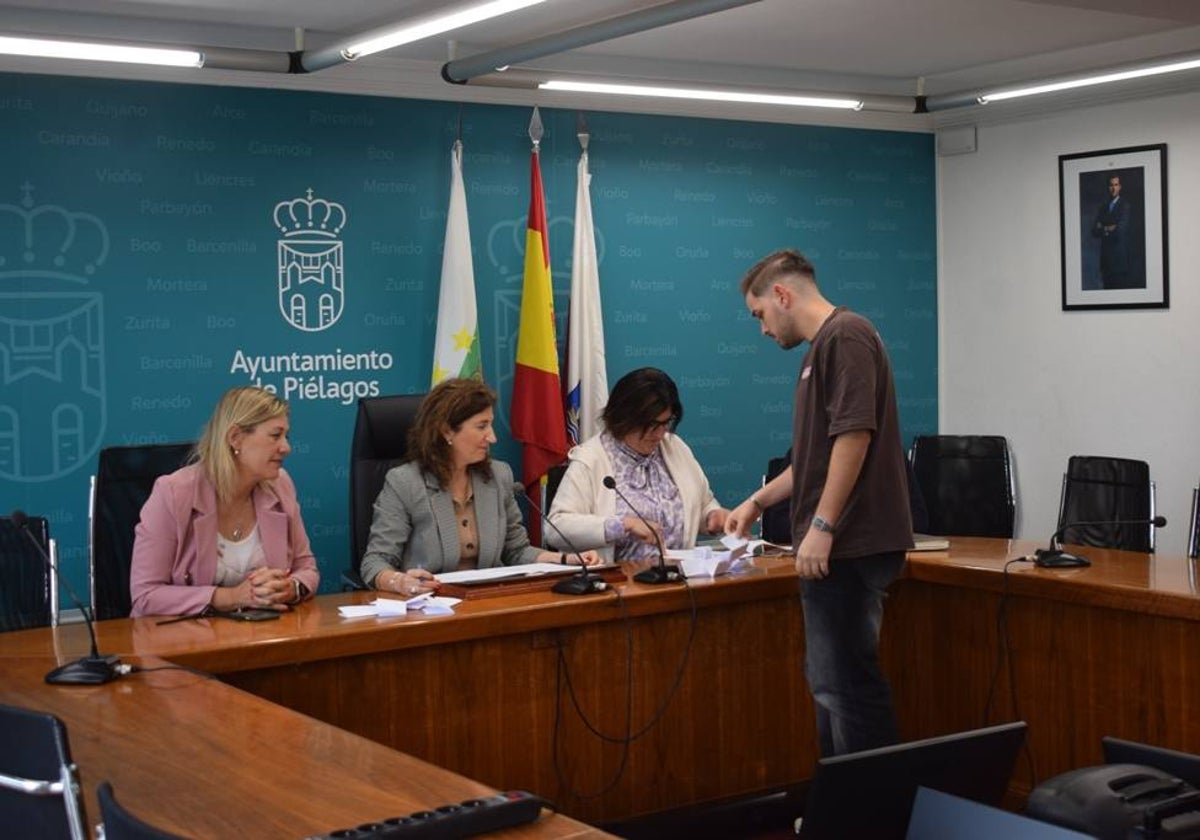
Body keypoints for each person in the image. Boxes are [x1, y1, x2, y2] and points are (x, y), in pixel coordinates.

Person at [726, 249, 912, 757]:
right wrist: (757, 502)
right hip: (840, 545)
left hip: (851, 546)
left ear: (782, 294)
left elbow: (854, 435)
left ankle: (870, 817)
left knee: (848, 689)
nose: (762, 329)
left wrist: (823, 526)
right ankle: (839, 811)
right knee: (830, 688)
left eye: (759, 313)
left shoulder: (846, 336)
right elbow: (816, 456)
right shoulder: (821, 349)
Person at [360, 378, 598, 597]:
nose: (492, 437)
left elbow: (515, 551)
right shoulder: (405, 482)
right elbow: (375, 562)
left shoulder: (498, 475)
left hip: (487, 601)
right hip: (430, 604)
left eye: (491, 425)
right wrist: (399, 582)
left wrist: (565, 559)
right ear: (446, 431)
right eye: (481, 426)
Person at [130, 386, 319, 617]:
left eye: (286, 436)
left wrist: (290, 588)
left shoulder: (281, 485)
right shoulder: (172, 493)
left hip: (262, 635)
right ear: (235, 438)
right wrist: (229, 597)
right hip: (182, 641)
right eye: (275, 435)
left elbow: (306, 568)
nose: (286, 447)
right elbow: (145, 594)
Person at [547, 367, 728, 562]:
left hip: (682, 579)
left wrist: (712, 517)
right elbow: (556, 528)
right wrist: (622, 525)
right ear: (625, 417)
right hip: (618, 584)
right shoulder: (591, 459)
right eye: (651, 425)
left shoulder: (675, 448)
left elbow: (702, 504)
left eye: (666, 422)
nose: (660, 434)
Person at [1091, 174, 1133, 288]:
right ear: (1108, 187)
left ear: (1120, 187)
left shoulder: (1125, 206)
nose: (1113, 188)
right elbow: (1094, 231)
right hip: (1106, 261)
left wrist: (1103, 227)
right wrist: (1109, 227)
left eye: (1116, 185)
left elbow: (1120, 230)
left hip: (1119, 261)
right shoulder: (1103, 207)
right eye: (1111, 185)